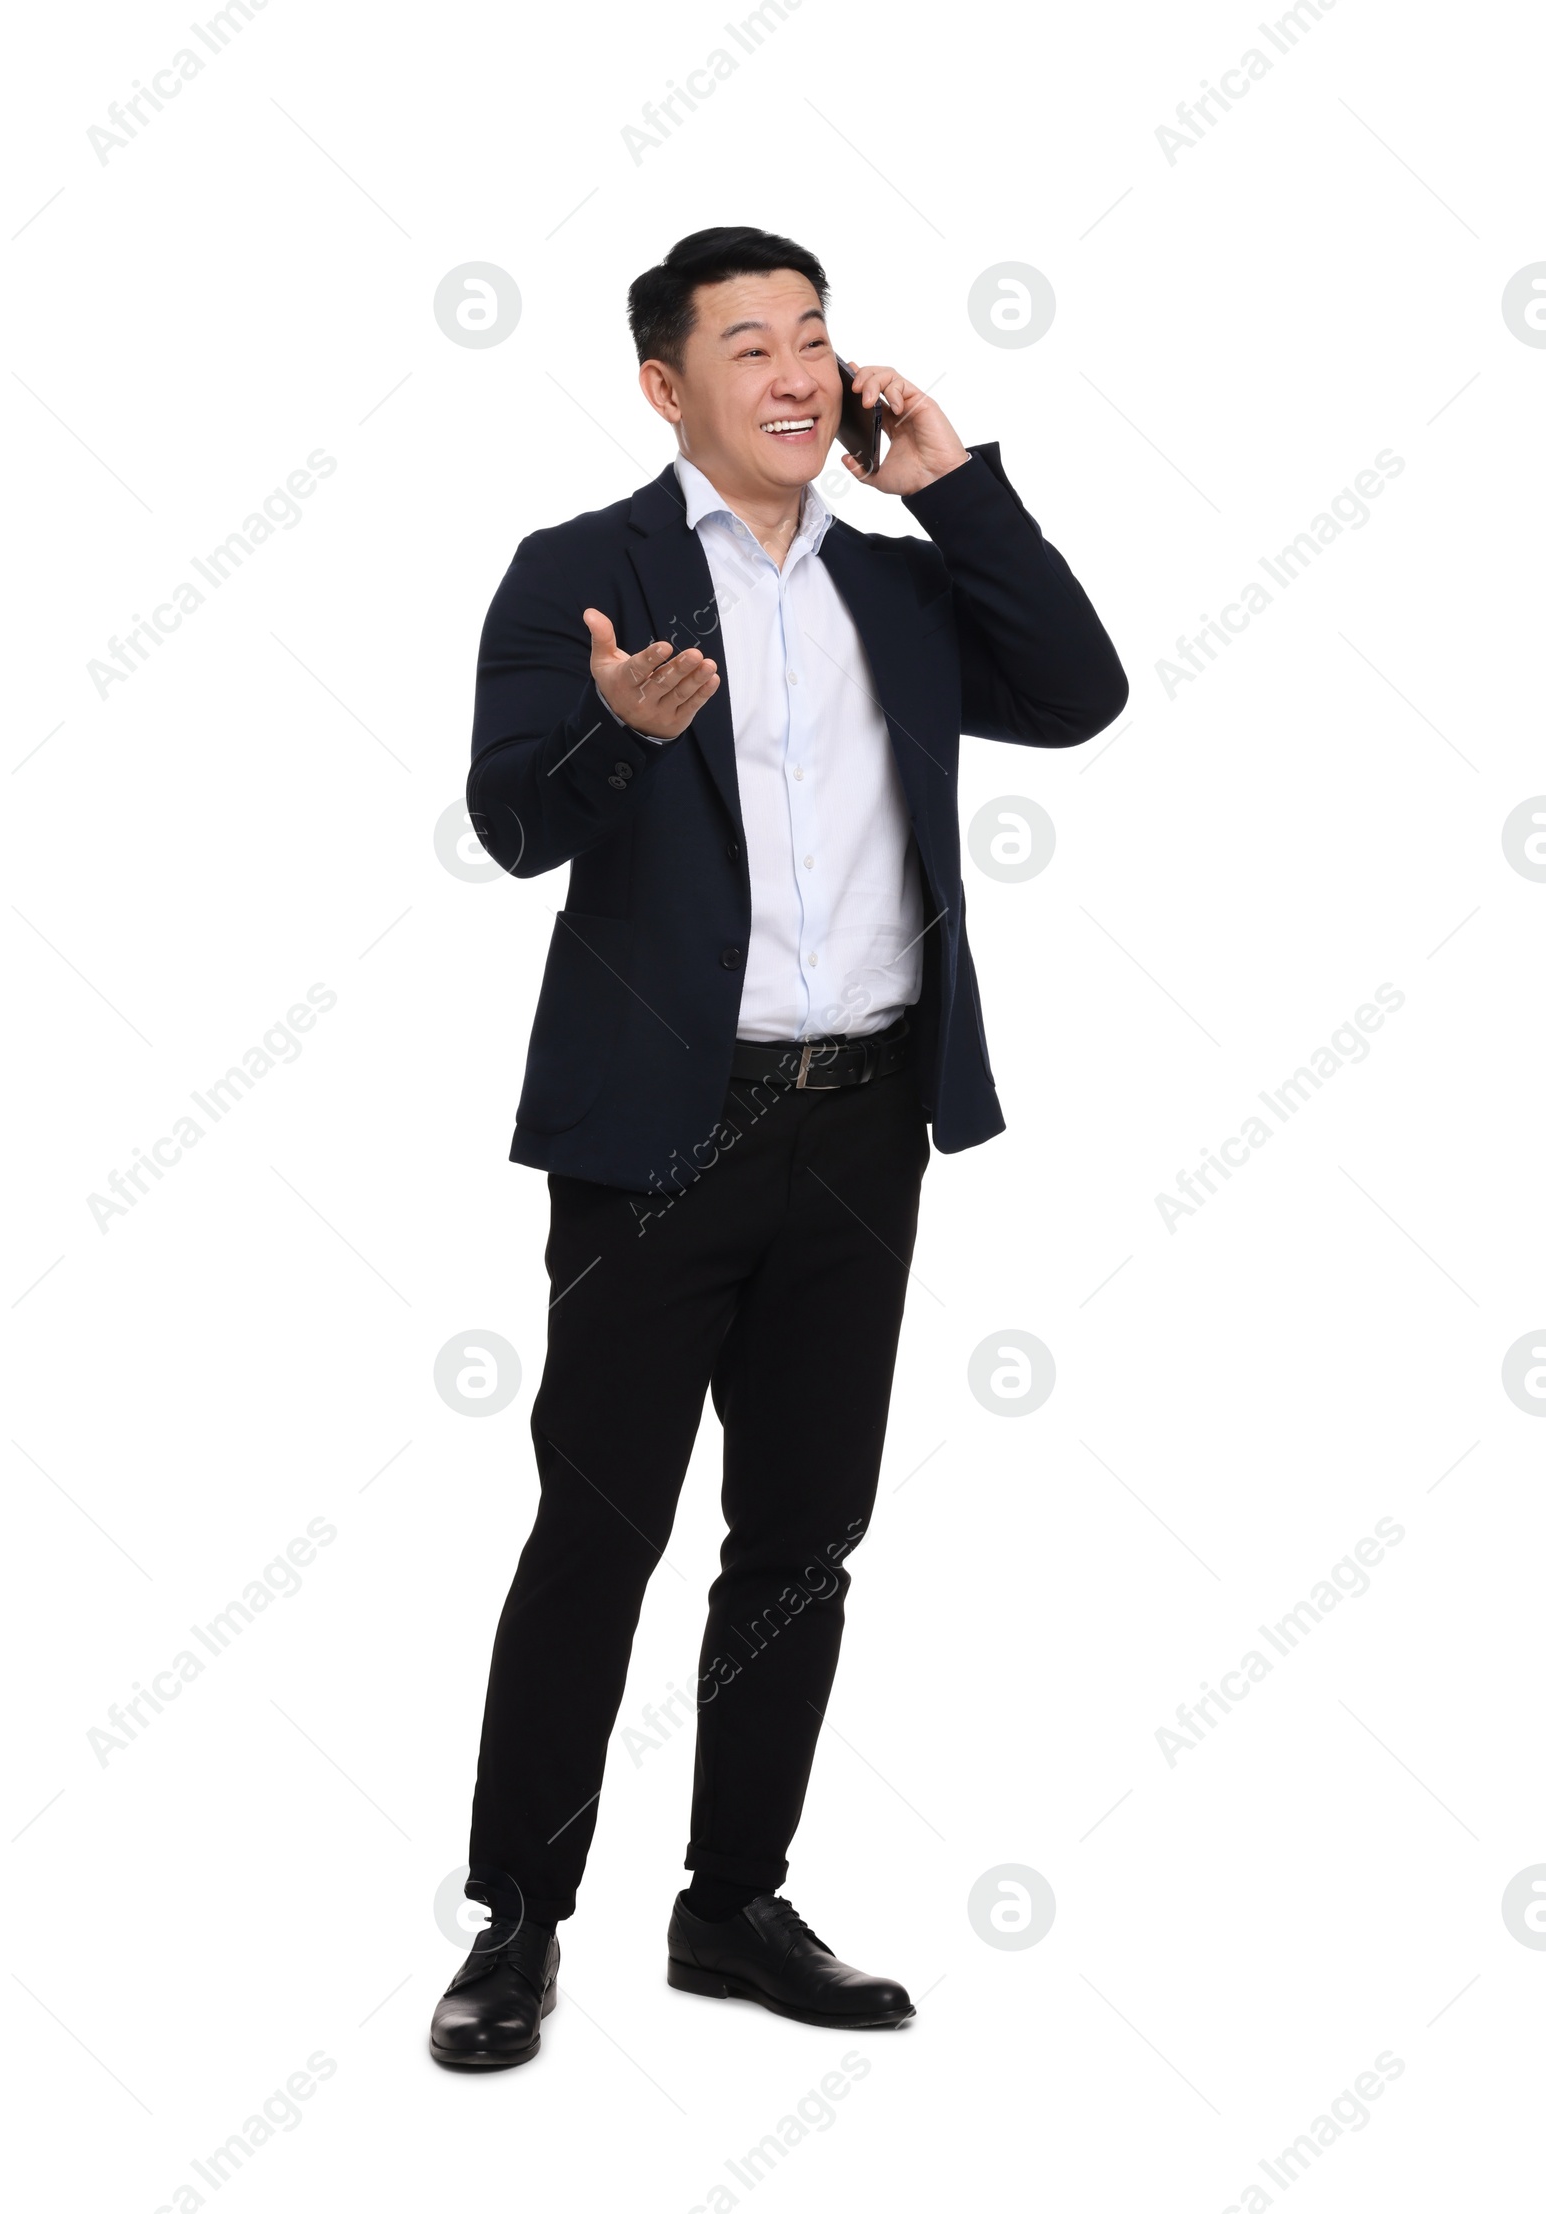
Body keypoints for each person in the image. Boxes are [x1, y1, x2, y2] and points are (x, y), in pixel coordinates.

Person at [429, 226, 1128, 2069]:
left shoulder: (899, 587)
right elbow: (509, 825)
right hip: (659, 1133)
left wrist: (959, 486)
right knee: (601, 1527)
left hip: (863, 1119)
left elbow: (1078, 689)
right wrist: (618, 734)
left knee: (803, 1539)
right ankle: (518, 1915)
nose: (799, 372)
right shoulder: (581, 574)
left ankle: (733, 1899)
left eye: (815, 336)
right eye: (750, 345)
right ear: (669, 387)